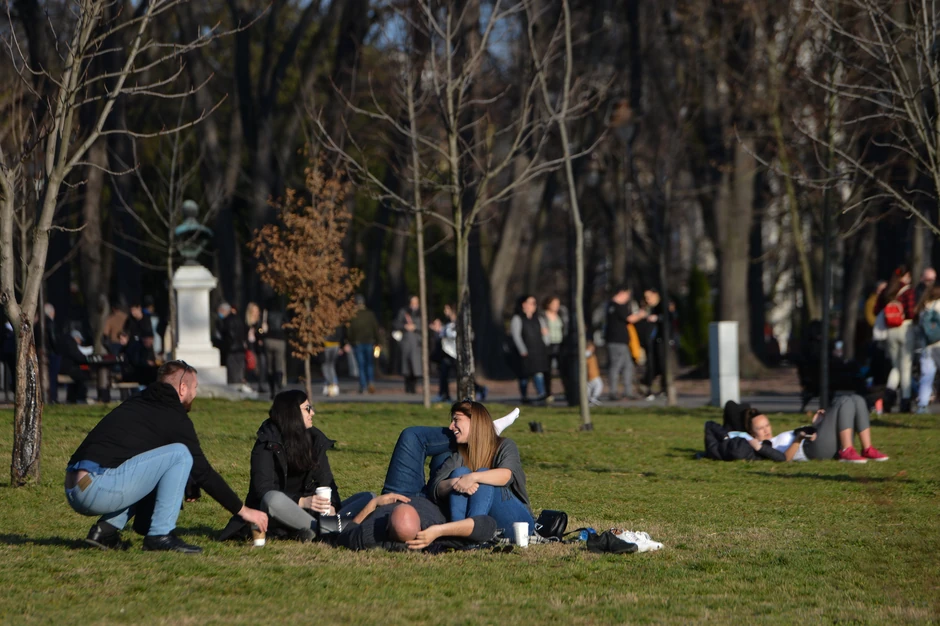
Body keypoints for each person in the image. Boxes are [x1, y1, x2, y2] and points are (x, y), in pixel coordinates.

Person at [65, 360, 269, 553]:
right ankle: (160, 535)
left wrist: (188, 480)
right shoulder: (173, 416)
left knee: (159, 460)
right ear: (182, 388)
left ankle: (105, 532)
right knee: (180, 453)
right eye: (195, 387)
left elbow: (151, 465)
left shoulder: (141, 402)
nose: (195, 393)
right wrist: (244, 511)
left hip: (76, 486)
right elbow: (204, 472)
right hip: (96, 488)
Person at [219, 390, 373, 542]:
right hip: (278, 513)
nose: (312, 413)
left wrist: (332, 505)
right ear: (291, 413)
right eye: (307, 408)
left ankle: (324, 528)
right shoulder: (267, 443)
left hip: (314, 512)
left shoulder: (315, 440)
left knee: (369, 498)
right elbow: (262, 490)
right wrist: (302, 501)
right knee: (272, 499)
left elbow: (326, 481)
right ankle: (328, 531)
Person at [428, 401, 535, 534]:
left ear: (475, 422)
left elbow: (505, 476)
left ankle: (473, 531)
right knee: (459, 473)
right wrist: (456, 482)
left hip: (518, 523)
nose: (451, 427)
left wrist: (473, 477)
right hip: (487, 524)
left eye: (456, 420)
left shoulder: (505, 445)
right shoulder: (459, 454)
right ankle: (460, 532)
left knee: (484, 475)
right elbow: (436, 487)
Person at [745, 395, 889, 463]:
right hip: (811, 449)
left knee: (857, 400)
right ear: (753, 433)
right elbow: (784, 459)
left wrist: (817, 425)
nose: (766, 430)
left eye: (767, 425)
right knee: (843, 401)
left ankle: (867, 448)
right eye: (760, 428)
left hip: (819, 441)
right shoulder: (766, 445)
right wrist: (798, 439)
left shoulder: (776, 438)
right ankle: (847, 450)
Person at [875, 265, 916, 412]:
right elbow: (911, 312)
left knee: (895, 367)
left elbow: (876, 310)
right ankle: (905, 401)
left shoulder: (888, 291)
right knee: (905, 367)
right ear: (905, 277)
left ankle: (888, 396)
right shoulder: (908, 291)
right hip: (905, 328)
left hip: (890, 330)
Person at [603, 286, 645, 401]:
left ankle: (628, 391)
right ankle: (613, 392)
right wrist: (640, 315)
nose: (627, 298)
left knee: (628, 365)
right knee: (616, 366)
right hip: (616, 341)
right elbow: (630, 319)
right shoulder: (616, 306)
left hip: (623, 341)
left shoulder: (610, 306)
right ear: (621, 293)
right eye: (627, 295)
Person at [510, 295, 549, 403]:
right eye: (531, 303)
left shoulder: (539, 319)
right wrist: (522, 350)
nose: (534, 306)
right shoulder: (517, 319)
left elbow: (545, 333)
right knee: (524, 376)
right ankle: (524, 396)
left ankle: (541, 394)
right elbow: (516, 336)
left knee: (538, 373)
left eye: (535, 303)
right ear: (524, 304)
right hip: (525, 353)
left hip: (538, 351)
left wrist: (546, 342)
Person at [347, 295, 380, 394]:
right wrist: (377, 341)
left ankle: (363, 386)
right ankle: (371, 382)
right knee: (369, 364)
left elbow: (350, 330)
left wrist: (350, 341)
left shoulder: (353, 315)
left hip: (357, 343)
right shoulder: (370, 314)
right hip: (369, 342)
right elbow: (375, 328)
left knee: (361, 365)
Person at [916, 285, 940, 412]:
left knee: (926, 376)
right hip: (939, 345)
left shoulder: (923, 307)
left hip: (927, 346)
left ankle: (922, 405)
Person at [540, 296, 567, 403]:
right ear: (548, 304)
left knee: (563, 369)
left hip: (559, 344)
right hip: (548, 345)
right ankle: (548, 393)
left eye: (558, 304)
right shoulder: (543, 316)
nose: (556, 306)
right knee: (547, 370)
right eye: (554, 304)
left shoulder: (560, 315)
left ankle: (567, 390)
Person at [393, 296, 423, 394]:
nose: (414, 305)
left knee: (415, 366)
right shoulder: (403, 312)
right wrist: (405, 326)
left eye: (416, 302)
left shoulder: (421, 313)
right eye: (412, 302)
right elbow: (396, 323)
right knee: (407, 365)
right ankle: (408, 386)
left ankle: (413, 386)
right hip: (406, 342)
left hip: (417, 343)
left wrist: (416, 327)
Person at [263, 299, 288, 399]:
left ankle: (272, 390)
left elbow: (263, 328)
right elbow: (287, 325)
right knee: (279, 364)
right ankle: (279, 385)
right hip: (280, 340)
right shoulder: (282, 314)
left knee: (269, 366)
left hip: (268, 339)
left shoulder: (267, 315)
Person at [61, 329, 92, 403]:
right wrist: (86, 359)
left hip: (69, 367)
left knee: (85, 370)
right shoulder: (72, 344)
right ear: (76, 338)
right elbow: (78, 356)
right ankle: (80, 397)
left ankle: (73, 397)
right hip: (71, 368)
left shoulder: (67, 343)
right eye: (80, 339)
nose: (80, 342)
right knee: (83, 374)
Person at [245, 302, 266, 394]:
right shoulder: (247, 323)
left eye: (257, 311)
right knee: (252, 365)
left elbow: (261, 333)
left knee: (262, 364)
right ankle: (250, 383)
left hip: (259, 347)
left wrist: (263, 331)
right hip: (251, 347)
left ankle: (260, 384)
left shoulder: (260, 322)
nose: (256, 313)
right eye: (254, 311)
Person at [322, 325, 346, 397]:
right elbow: (341, 334)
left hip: (327, 344)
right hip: (336, 344)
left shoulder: (324, 321)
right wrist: (341, 345)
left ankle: (331, 384)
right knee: (331, 365)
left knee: (326, 366)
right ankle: (331, 384)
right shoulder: (337, 322)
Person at [585, 340, 603, 406]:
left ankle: (589, 399)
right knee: (599, 385)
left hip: (588, 375)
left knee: (588, 388)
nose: (593, 349)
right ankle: (594, 398)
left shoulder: (589, 354)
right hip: (593, 374)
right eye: (592, 348)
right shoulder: (588, 354)